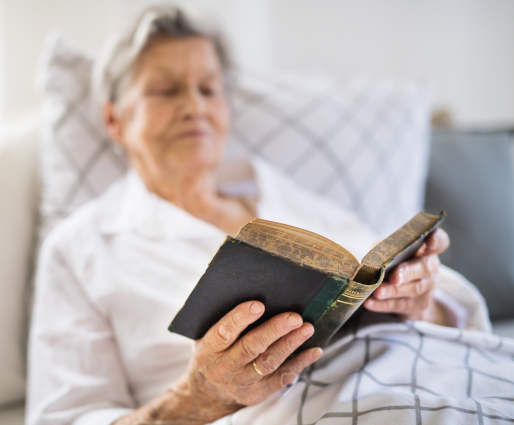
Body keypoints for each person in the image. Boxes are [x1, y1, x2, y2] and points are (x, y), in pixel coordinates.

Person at [26, 6, 490, 425]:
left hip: (426, 373)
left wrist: (418, 300)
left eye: (209, 88)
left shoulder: (285, 198)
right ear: (115, 121)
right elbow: (66, 417)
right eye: (166, 91)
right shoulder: (80, 246)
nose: (195, 107)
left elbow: (441, 307)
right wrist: (197, 399)